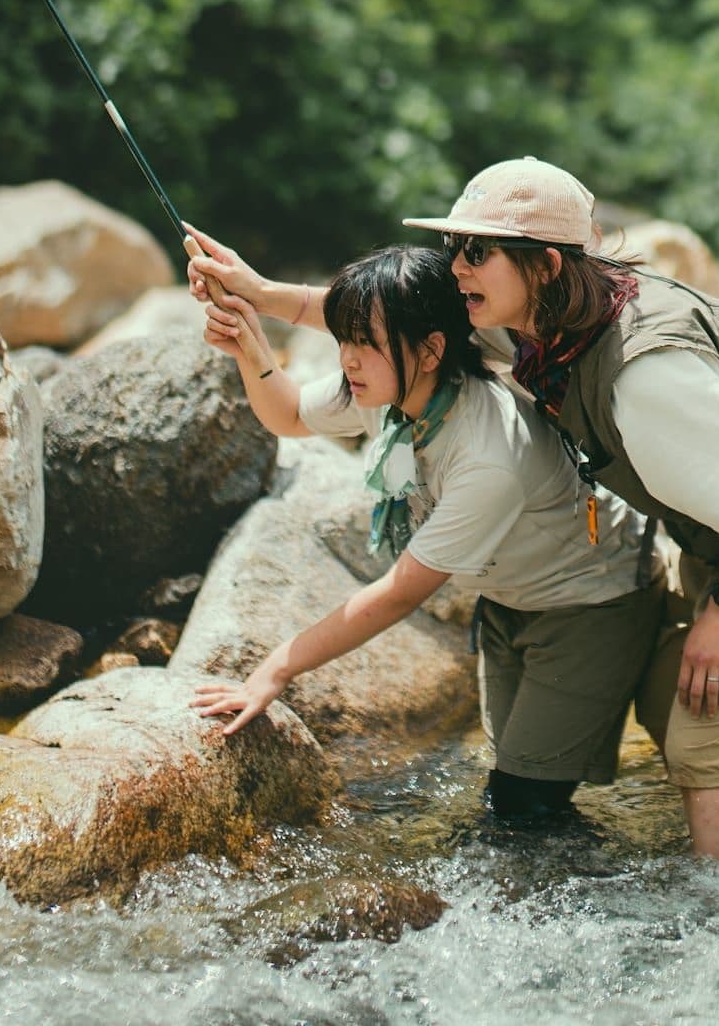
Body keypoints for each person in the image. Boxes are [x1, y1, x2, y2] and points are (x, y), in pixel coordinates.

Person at [400, 157, 719, 864]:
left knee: (703, 740)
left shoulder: (645, 374)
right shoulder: (546, 318)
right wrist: (260, 295)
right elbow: (393, 315)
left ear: (548, 266)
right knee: (668, 699)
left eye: (477, 250)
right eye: (451, 247)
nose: (455, 267)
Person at [186, 237, 667, 825]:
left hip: (591, 602)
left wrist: (275, 669)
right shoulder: (393, 392)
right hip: (507, 598)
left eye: (364, 344)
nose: (348, 360)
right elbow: (285, 415)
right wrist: (247, 337)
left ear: (433, 347)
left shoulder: (486, 451)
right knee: (510, 789)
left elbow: (399, 594)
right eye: (344, 341)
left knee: (525, 803)